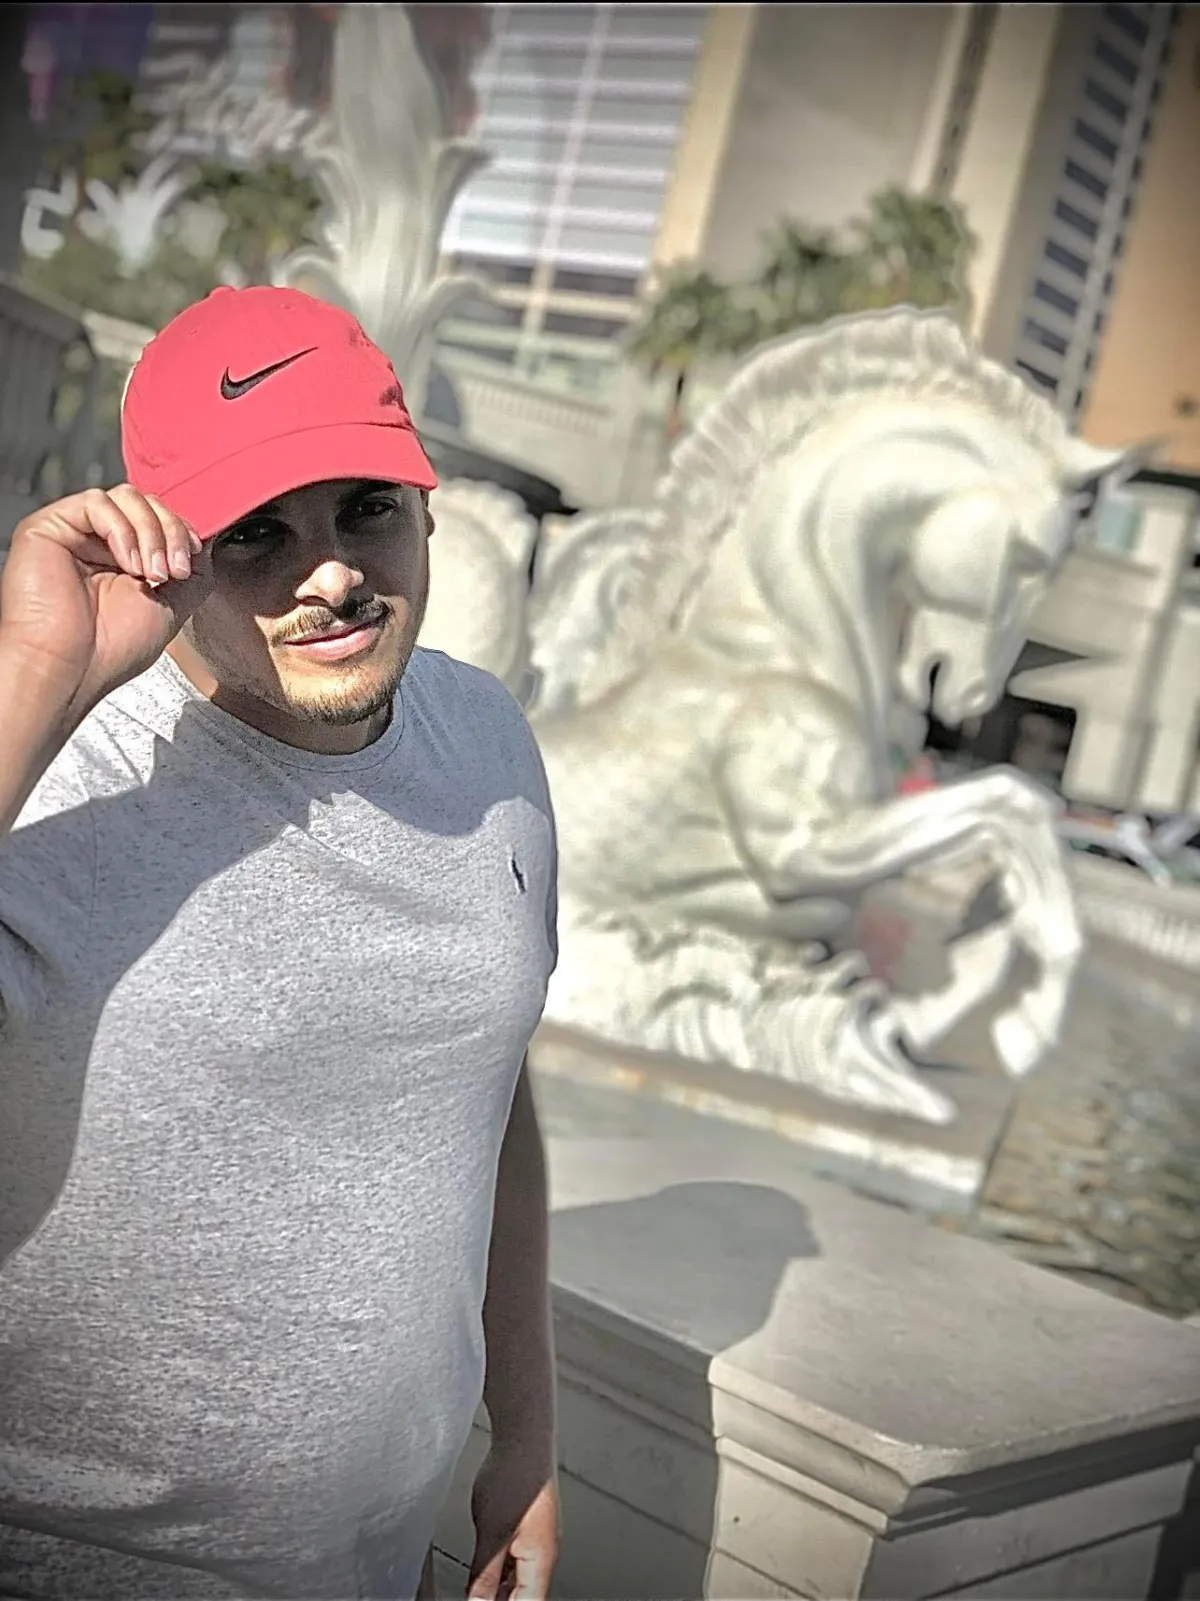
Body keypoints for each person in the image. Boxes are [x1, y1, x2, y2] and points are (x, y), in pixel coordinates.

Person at [0, 286, 559, 1600]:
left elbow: (493, 1086)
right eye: (256, 534)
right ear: (165, 553)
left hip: (370, 1566)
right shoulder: (53, 771)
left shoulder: (489, 740)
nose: (332, 575)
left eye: (367, 509)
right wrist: (34, 671)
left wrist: (527, 1434)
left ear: (427, 509)